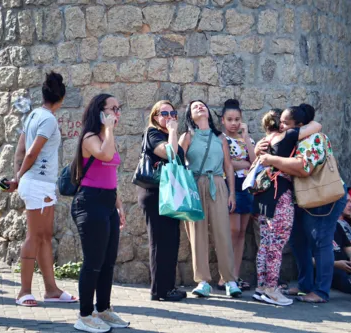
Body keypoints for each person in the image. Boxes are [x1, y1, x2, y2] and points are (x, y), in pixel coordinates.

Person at [257, 104, 347, 304]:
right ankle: (305, 284)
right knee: (298, 240)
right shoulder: (295, 137)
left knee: (321, 241)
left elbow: (303, 168)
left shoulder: (314, 139)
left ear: (299, 125)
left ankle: (321, 291)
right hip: (304, 199)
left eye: (285, 123)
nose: (281, 125)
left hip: (325, 199)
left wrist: (271, 159)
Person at [6, 72, 77, 307]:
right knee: (35, 237)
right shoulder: (48, 119)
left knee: (45, 237)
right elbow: (31, 152)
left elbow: (20, 151)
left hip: (38, 184)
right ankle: (24, 291)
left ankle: (52, 290)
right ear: (62, 97)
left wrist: (18, 177)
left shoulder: (33, 115)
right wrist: (19, 177)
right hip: (38, 184)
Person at [70, 94, 129, 332]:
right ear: (100, 111)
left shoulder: (107, 137)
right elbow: (104, 156)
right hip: (89, 202)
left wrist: (119, 204)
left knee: (108, 262)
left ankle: (103, 310)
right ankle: (84, 315)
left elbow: (109, 176)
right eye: (113, 108)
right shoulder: (89, 137)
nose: (117, 113)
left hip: (107, 202)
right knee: (93, 262)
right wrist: (108, 129)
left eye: (119, 108)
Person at [251, 108, 320, 306]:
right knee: (277, 244)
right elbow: (317, 125)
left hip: (263, 196)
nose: (283, 124)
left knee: (265, 243)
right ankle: (272, 290)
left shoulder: (266, 142)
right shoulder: (287, 136)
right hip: (280, 194)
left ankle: (261, 288)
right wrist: (296, 126)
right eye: (282, 121)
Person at [178, 100, 241, 298]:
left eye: (202, 105)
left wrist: (232, 193)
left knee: (223, 232)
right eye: (194, 106)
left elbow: (228, 166)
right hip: (195, 185)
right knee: (197, 233)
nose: (199, 107)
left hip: (217, 184)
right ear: (190, 114)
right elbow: (177, 162)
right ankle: (203, 281)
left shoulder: (220, 137)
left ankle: (230, 280)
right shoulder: (187, 136)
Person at [137, 100, 186, 302]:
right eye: (163, 113)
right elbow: (171, 154)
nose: (168, 117)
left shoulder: (167, 135)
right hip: (155, 192)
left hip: (170, 192)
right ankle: (158, 290)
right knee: (159, 241)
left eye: (171, 113)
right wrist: (174, 131)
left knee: (172, 240)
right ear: (155, 117)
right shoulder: (153, 134)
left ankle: (169, 287)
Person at [216, 99, 255, 291]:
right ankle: (225, 275)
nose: (234, 123)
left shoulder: (247, 139)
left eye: (237, 119)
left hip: (247, 186)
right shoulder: (221, 139)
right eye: (230, 119)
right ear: (222, 120)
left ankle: (235, 276)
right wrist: (245, 163)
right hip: (230, 184)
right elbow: (226, 163)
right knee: (231, 232)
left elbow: (255, 161)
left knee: (241, 234)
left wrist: (246, 137)